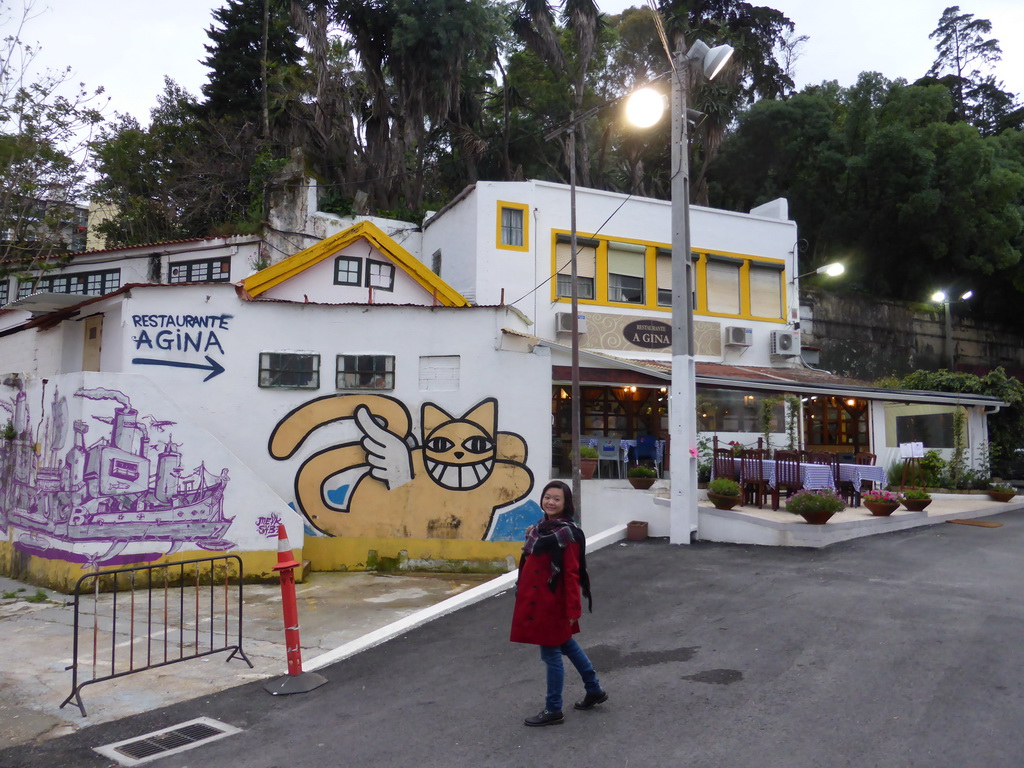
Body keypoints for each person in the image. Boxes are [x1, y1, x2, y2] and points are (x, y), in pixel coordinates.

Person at [510, 480, 607, 726]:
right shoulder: (541, 529)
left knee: (551, 654)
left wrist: (573, 610)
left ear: (565, 504)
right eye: (547, 497)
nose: (550, 502)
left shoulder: (567, 534)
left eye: (557, 499)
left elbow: (572, 574)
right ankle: (594, 689)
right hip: (538, 601)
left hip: (553, 604)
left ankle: (554, 709)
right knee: (567, 645)